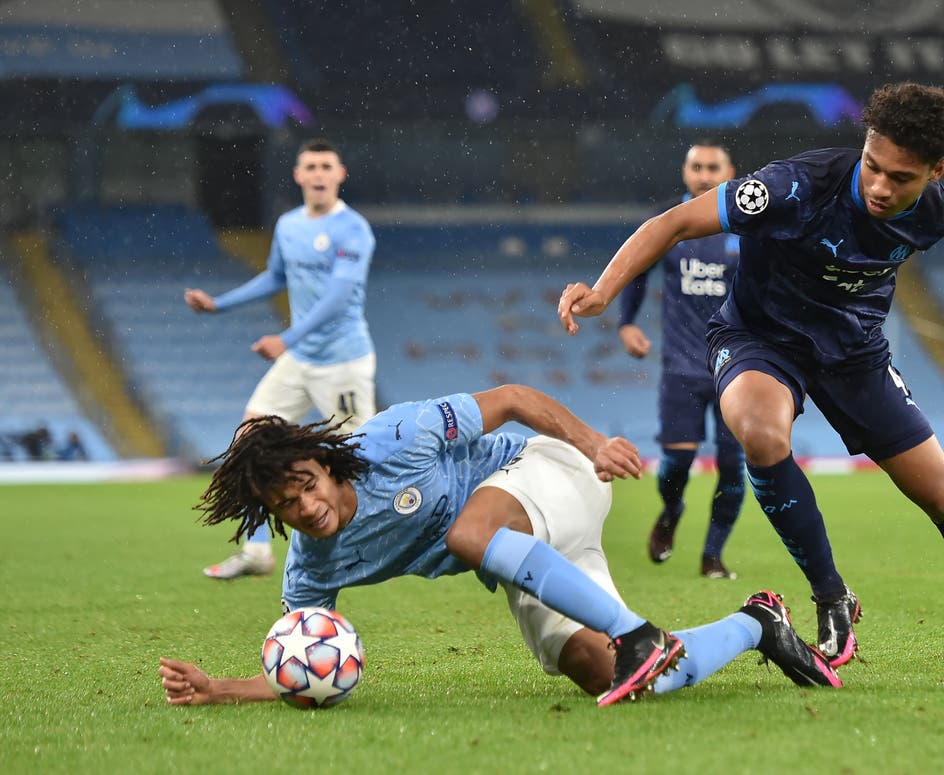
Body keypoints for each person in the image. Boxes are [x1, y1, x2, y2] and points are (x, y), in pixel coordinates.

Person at [558, 83, 944, 674]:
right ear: (865, 146)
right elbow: (673, 223)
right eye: (873, 166)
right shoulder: (792, 188)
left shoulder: (935, 217)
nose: (880, 187)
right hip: (761, 338)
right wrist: (602, 293)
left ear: (937, 171)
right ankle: (831, 596)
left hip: (854, 355)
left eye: (901, 178)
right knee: (761, 433)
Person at [157, 385, 840, 707]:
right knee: (609, 676)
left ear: (326, 463)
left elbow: (512, 397)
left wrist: (593, 443)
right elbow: (296, 663)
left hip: (555, 472)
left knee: (470, 532)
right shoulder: (314, 561)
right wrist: (217, 687)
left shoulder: (395, 437)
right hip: (530, 554)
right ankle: (756, 625)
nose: (305, 509)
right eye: (285, 508)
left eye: (305, 486)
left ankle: (635, 632)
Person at [184, 138, 377, 580]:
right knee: (250, 437)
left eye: (326, 166)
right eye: (310, 166)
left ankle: (376, 540)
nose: (318, 174)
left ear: (340, 174)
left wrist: (287, 337)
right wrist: (219, 304)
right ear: (298, 175)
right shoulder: (289, 225)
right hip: (299, 359)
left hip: (342, 363)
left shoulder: (353, 230)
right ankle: (256, 550)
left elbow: (340, 295)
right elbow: (275, 276)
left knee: (361, 458)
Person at [617, 140, 745, 580]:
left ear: (731, 172)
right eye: (697, 166)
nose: (705, 175)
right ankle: (672, 510)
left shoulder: (751, 226)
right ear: (685, 171)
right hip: (682, 365)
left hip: (737, 368)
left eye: (714, 167)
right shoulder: (668, 222)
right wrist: (626, 322)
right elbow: (636, 271)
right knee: (676, 463)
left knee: (733, 465)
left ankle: (713, 557)